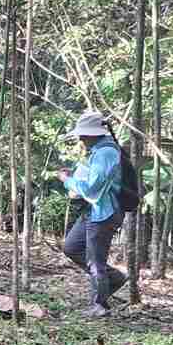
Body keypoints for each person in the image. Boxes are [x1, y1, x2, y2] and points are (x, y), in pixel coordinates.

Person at [57, 111, 128, 317]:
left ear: (94, 134)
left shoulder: (106, 153)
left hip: (104, 213)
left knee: (95, 260)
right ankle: (114, 279)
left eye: (83, 135)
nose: (80, 138)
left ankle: (100, 306)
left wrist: (66, 180)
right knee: (71, 247)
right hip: (92, 211)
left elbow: (91, 189)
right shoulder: (97, 150)